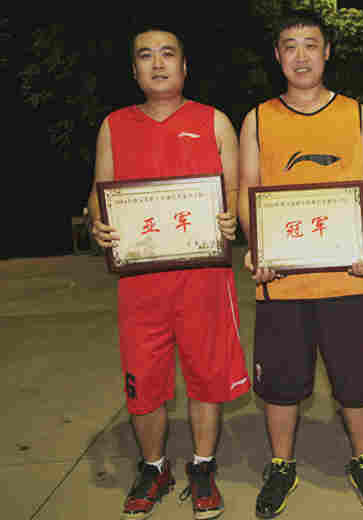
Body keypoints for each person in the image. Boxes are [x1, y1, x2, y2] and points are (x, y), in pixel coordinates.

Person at [87, 26, 250, 520]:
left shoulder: (213, 121)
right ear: (134, 70)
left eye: (167, 54)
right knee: (145, 380)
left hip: (204, 278)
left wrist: (232, 219)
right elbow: (100, 191)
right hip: (142, 282)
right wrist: (97, 221)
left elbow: (236, 191)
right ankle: (153, 467)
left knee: (206, 376)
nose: (157, 63)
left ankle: (202, 467)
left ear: (184, 65)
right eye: (145, 56)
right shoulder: (114, 125)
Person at [238, 10, 363, 518]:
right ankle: (282, 465)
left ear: (327, 53)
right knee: (280, 385)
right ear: (277, 56)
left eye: (311, 45)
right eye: (290, 46)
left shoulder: (357, 114)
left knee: (355, 382)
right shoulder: (258, 119)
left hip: (349, 276)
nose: (301, 56)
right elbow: (247, 191)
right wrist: (258, 248)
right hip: (282, 281)